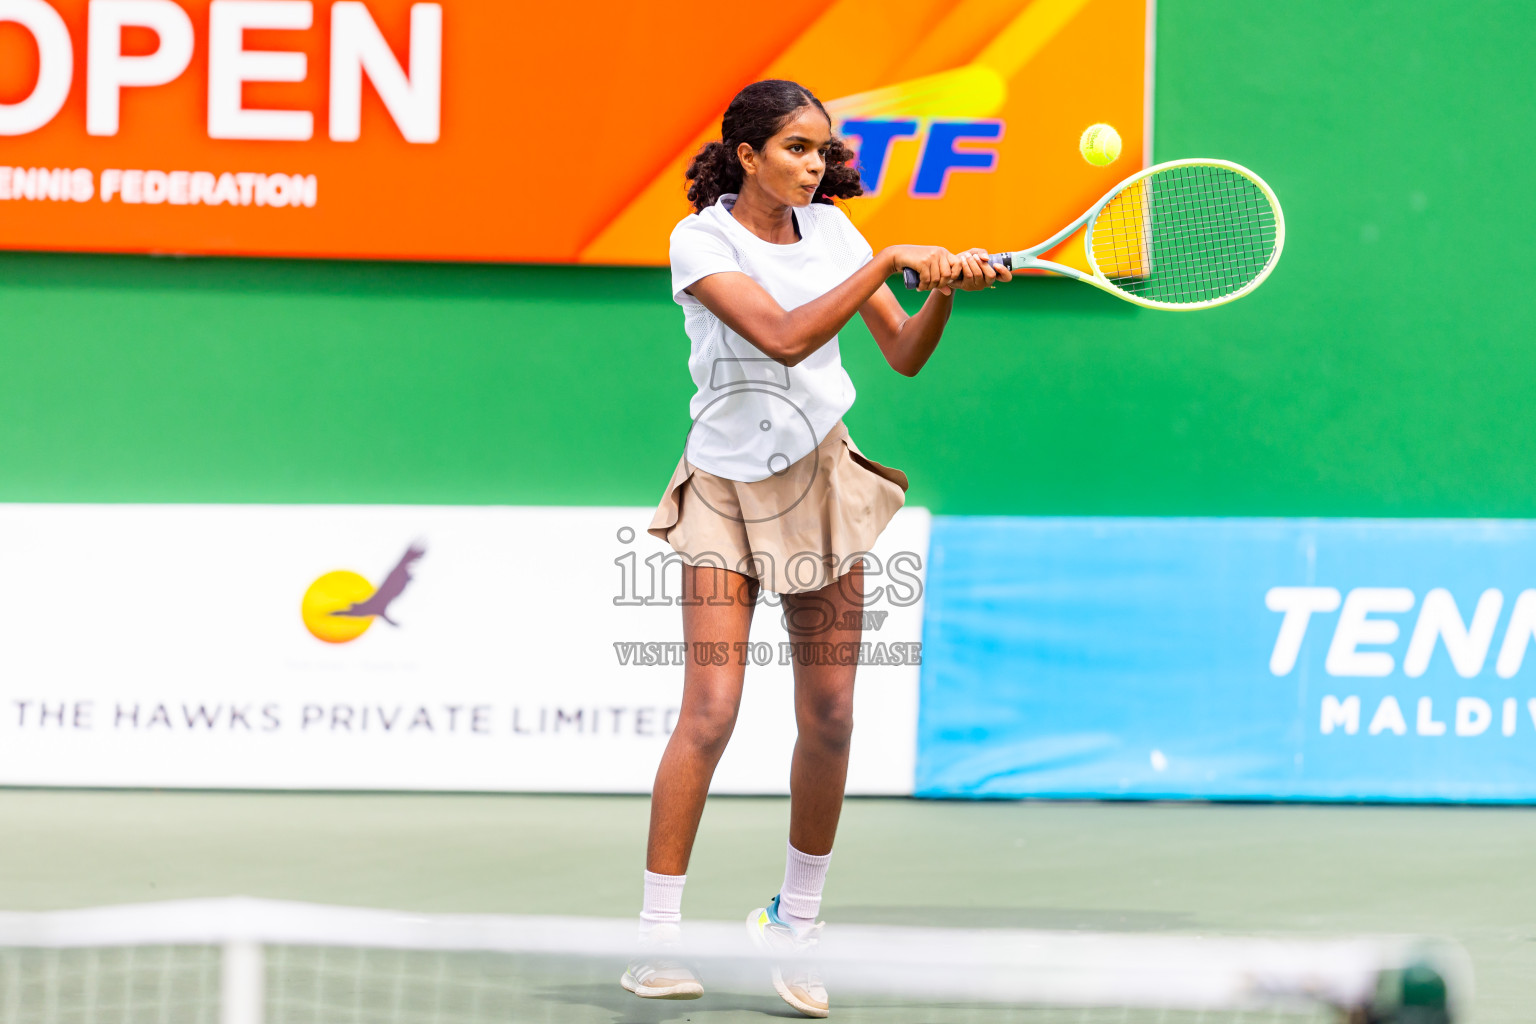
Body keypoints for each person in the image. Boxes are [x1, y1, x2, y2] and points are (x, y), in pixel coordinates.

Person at [621, 78, 1009, 1018]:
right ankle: (655, 939)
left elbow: (905, 355)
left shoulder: (834, 235)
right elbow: (786, 337)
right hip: (723, 490)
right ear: (746, 155)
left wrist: (943, 290)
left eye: (823, 150)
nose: (817, 164)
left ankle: (796, 926)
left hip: (823, 481)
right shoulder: (700, 240)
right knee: (709, 711)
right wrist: (886, 262)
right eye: (797, 148)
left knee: (831, 713)